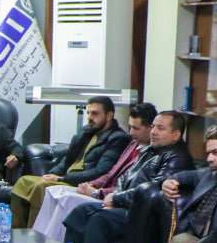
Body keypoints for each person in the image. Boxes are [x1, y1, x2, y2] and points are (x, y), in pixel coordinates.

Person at [62, 110, 194, 243]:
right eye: (153, 126)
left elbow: (151, 190)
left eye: (160, 128)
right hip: (125, 205)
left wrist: (116, 199)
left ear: (176, 135)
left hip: (143, 215)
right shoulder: (150, 151)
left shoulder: (177, 158)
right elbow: (124, 177)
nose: (153, 132)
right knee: (80, 211)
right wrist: (114, 197)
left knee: (100, 219)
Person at [32, 103, 155, 241]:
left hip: (109, 197)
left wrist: (97, 192)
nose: (131, 132)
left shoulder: (150, 154)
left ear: (151, 128)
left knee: (67, 198)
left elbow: (128, 188)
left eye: (136, 128)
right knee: (53, 190)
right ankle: (38, 241)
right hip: (98, 190)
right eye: (130, 127)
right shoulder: (133, 144)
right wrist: (91, 184)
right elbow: (111, 173)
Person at [9, 95, 128, 228]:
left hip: (82, 182)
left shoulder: (117, 138)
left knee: (41, 186)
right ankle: (17, 230)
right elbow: (67, 159)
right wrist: (52, 173)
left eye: (95, 113)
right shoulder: (86, 131)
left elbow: (100, 171)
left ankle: (34, 234)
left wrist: (61, 178)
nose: (90, 117)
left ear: (109, 115)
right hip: (66, 177)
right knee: (23, 181)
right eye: (88, 113)